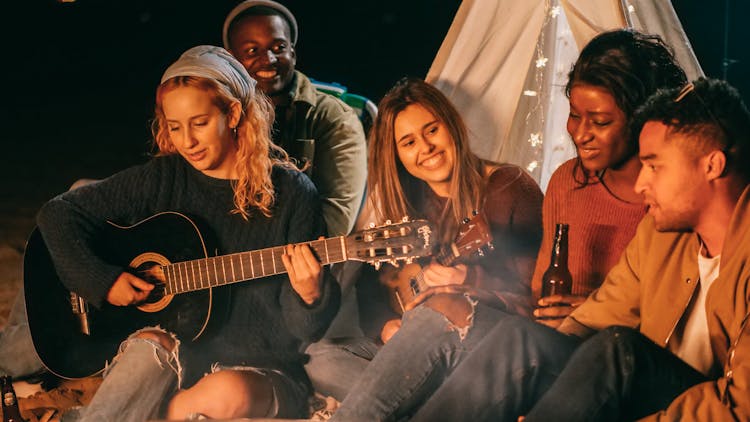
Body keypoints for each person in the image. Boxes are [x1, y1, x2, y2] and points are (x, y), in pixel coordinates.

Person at [411, 77, 750, 421]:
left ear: (712, 164)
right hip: (649, 395)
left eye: (654, 165)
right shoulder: (661, 235)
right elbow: (594, 317)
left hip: (703, 411)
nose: (641, 182)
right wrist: (541, 389)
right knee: (524, 339)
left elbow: (740, 408)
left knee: (619, 349)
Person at [36, 45, 340, 421]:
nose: (187, 141)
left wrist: (311, 295)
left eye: (198, 123)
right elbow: (58, 213)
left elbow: (302, 331)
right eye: (174, 127)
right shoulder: (166, 178)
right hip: (177, 359)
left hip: (259, 368)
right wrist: (103, 280)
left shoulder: (293, 194)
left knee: (225, 392)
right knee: (147, 345)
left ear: (232, 113)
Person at [329, 77, 543, 421]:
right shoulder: (408, 200)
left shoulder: (507, 188)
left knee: (438, 308)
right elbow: (371, 287)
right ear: (397, 154)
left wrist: (473, 278)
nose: (425, 147)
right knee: (320, 358)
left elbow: (535, 301)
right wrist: (387, 326)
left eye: (432, 130)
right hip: (420, 342)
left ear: (452, 125)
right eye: (409, 142)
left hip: (489, 343)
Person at [531, 29, 687, 327]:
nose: (580, 134)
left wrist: (598, 314)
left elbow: (682, 324)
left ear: (643, 121)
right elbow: (539, 289)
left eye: (600, 122)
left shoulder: (675, 203)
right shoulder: (567, 182)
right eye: (575, 115)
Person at [222, 0, 367, 238]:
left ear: (293, 52)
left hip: (291, 265)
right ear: (231, 60)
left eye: (278, 47)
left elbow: (335, 221)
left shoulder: (333, 117)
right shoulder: (221, 115)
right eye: (252, 51)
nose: (268, 59)